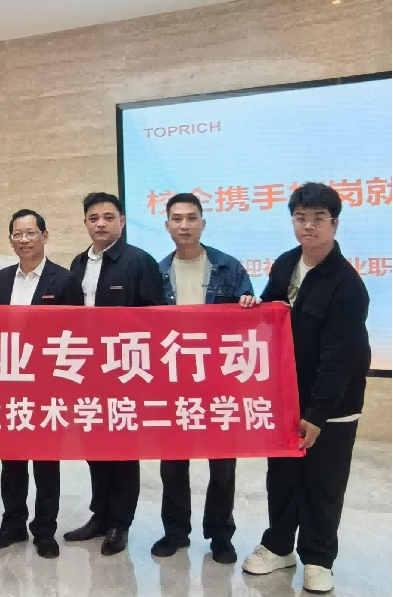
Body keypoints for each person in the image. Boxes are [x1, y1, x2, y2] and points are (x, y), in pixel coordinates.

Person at [240, 183, 370, 594]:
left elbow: (339, 358)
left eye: (318, 219)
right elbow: (273, 313)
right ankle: (279, 546)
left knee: (323, 483)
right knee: (282, 477)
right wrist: (253, 306)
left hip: (333, 405)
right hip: (286, 396)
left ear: (335, 223)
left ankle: (318, 558)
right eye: (300, 218)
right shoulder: (285, 263)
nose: (308, 226)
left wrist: (317, 414)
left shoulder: (347, 285)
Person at [152, 192, 254, 565]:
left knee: (222, 464)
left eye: (191, 218)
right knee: (173, 463)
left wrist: (248, 305)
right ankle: (175, 532)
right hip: (173, 380)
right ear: (167, 225)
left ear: (203, 223)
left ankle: (221, 535)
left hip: (219, 380)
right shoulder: (157, 272)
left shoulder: (228, 268)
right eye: (177, 218)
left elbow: (251, 321)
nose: (184, 225)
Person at [65, 192, 164, 556]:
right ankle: (101, 515)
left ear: (122, 221)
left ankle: (121, 522)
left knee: (122, 448)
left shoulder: (140, 261)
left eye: (108, 217)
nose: (101, 223)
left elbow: (155, 319)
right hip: (86, 370)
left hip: (125, 370)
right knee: (94, 445)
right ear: (85, 223)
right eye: (94, 218)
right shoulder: (78, 263)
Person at [0, 209, 84, 559]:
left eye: (30, 233)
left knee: (46, 463)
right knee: (11, 462)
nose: (24, 240)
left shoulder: (65, 280)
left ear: (45, 236)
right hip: (9, 383)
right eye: (17, 234)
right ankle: (13, 523)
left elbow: (75, 335)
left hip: (48, 387)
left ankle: (44, 530)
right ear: (11, 239)